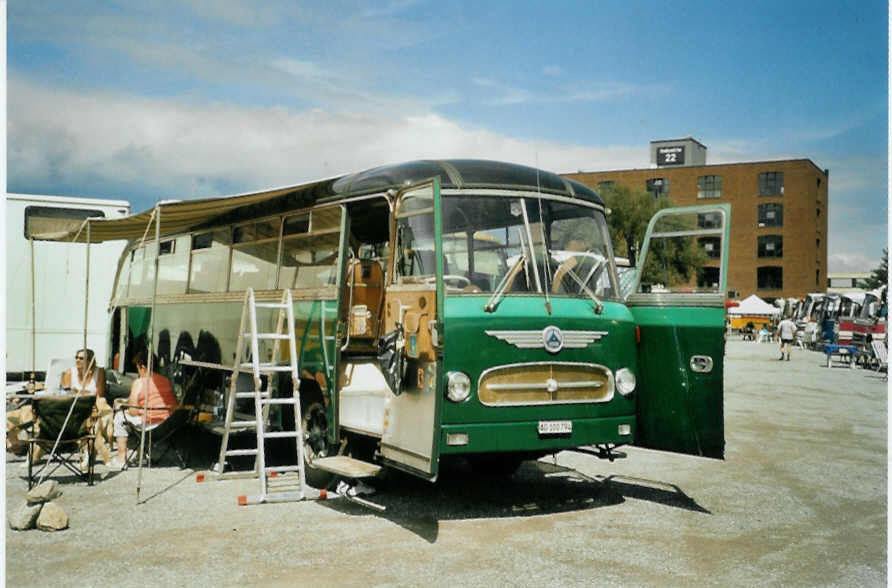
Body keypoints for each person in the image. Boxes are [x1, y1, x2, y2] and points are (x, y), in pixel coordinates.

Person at [109, 350, 177, 471]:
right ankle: (142, 455)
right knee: (137, 416)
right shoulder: (165, 380)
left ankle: (121, 458)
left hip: (150, 425)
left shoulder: (139, 382)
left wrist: (124, 405)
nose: (138, 372)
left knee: (119, 417)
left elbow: (133, 411)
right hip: (168, 424)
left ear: (143, 367)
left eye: (138, 368)